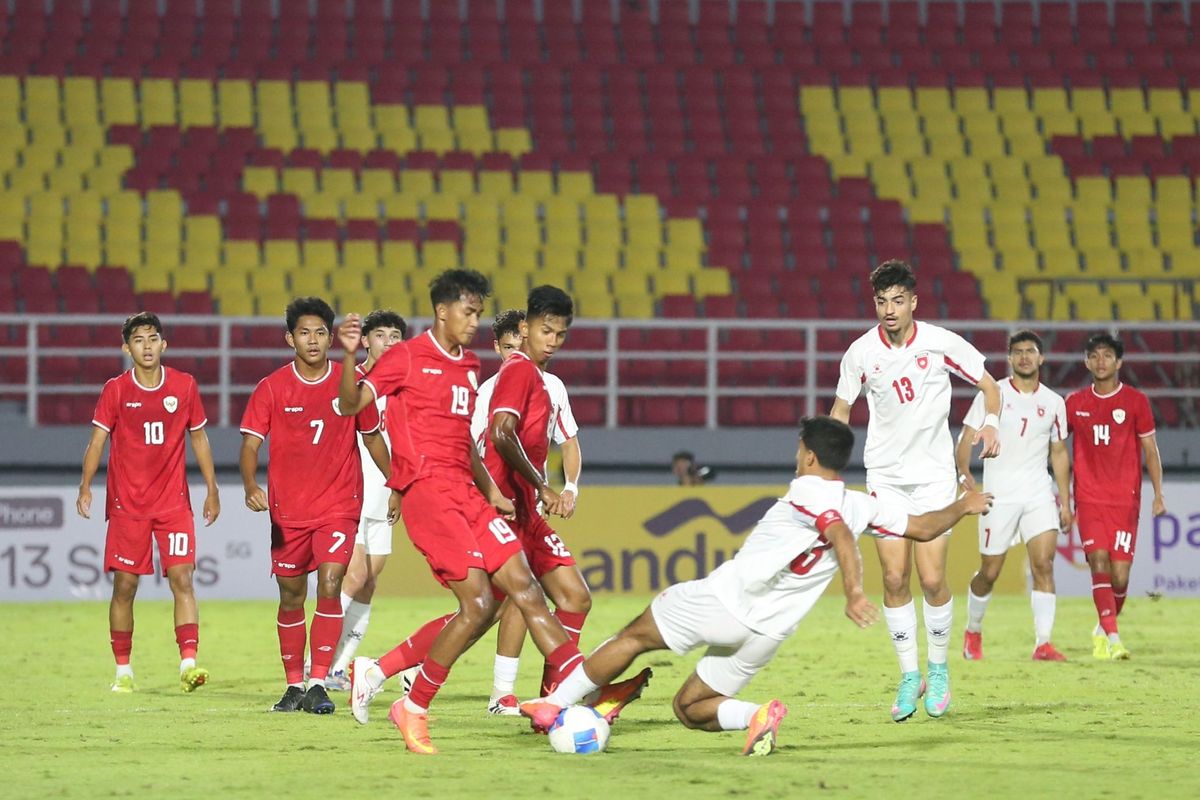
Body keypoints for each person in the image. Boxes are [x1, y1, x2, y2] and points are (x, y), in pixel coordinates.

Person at [520, 417, 994, 756]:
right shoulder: (863, 503)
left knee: (632, 636)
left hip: (726, 601)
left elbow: (838, 534)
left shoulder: (810, 490)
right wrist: (963, 505)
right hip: (768, 633)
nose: (795, 456)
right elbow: (925, 526)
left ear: (809, 455)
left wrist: (854, 590)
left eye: (798, 449)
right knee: (690, 708)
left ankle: (553, 703)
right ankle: (756, 715)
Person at [335, 269, 585, 755]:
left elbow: (463, 441)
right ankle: (412, 706)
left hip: (469, 494)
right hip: (428, 495)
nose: (475, 322)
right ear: (443, 311)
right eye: (468, 312)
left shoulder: (469, 365)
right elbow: (351, 405)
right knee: (476, 606)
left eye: (478, 312)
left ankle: (578, 689)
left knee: (525, 589)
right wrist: (347, 357)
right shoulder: (405, 357)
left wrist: (490, 488)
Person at [830, 259, 1001, 722]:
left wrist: (991, 424)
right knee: (891, 578)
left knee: (930, 580)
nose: (889, 309)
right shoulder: (861, 352)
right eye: (882, 301)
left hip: (932, 478)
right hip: (884, 477)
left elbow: (989, 386)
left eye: (897, 300)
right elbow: (842, 407)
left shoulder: (941, 342)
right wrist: (829, 461)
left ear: (913, 302)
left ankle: (939, 668)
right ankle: (910, 675)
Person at [239, 297, 390, 714]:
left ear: (331, 336)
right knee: (290, 595)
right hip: (287, 510)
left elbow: (373, 437)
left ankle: (320, 681)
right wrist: (251, 483)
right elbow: (251, 443)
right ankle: (293, 686)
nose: (313, 340)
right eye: (304, 332)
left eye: (321, 332)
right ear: (290, 338)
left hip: (339, 504)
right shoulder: (271, 387)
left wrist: (397, 479)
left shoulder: (354, 384)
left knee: (330, 584)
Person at [77, 312, 220, 693]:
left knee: (183, 578)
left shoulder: (185, 386)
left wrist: (212, 487)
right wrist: (86, 485)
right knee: (124, 586)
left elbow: (200, 439)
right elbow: (97, 441)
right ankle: (123, 670)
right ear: (127, 348)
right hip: (129, 506)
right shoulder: (116, 390)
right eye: (138, 340)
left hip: (173, 505)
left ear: (164, 344)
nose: (147, 346)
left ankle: (188, 663)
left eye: (153, 338)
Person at [482, 290, 587, 713]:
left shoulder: (550, 383)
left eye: (561, 334)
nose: (554, 340)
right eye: (546, 331)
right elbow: (492, 437)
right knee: (490, 606)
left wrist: (568, 487)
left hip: (527, 509)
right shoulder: (508, 377)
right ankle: (503, 694)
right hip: (500, 506)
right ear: (524, 330)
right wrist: (540, 486)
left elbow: (570, 442)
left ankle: (554, 697)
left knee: (573, 597)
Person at [956, 330, 1072, 661]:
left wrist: (1064, 500)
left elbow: (1059, 452)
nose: (1024, 356)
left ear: (1041, 358)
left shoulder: (1053, 402)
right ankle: (973, 631)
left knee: (1044, 565)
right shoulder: (993, 395)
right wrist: (964, 474)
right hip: (999, 496)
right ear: (1009, 358)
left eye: (1030, 351)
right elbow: (965, 439)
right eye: (1018, 352)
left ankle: (1043, 643)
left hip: (1038, 492)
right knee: (989, 572)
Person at [1066, 333, 1167, 660]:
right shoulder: (1075, 403)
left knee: (1120, 576)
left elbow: (1151, 450)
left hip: (1125, 500)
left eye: (1107, 355)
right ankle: (1114, 638)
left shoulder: (1136, 401)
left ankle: (1101, 629)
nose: (1100, 361)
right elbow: (1054, 445)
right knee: (1098, 562)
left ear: (1119, 362)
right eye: (1094, 355)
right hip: (1089, 497)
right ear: (1086, 361)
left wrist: (1158, 495)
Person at [325, 309, 408, 690]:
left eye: (395, 336)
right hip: (349, 492)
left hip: (386, 494)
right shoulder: (353, 382)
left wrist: (400, 486)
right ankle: (317, 662)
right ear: (366, 341)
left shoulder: (405, 389)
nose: (388, 343)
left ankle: (338, 668)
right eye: (381, 335)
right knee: (352, 576)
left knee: (370, 581)